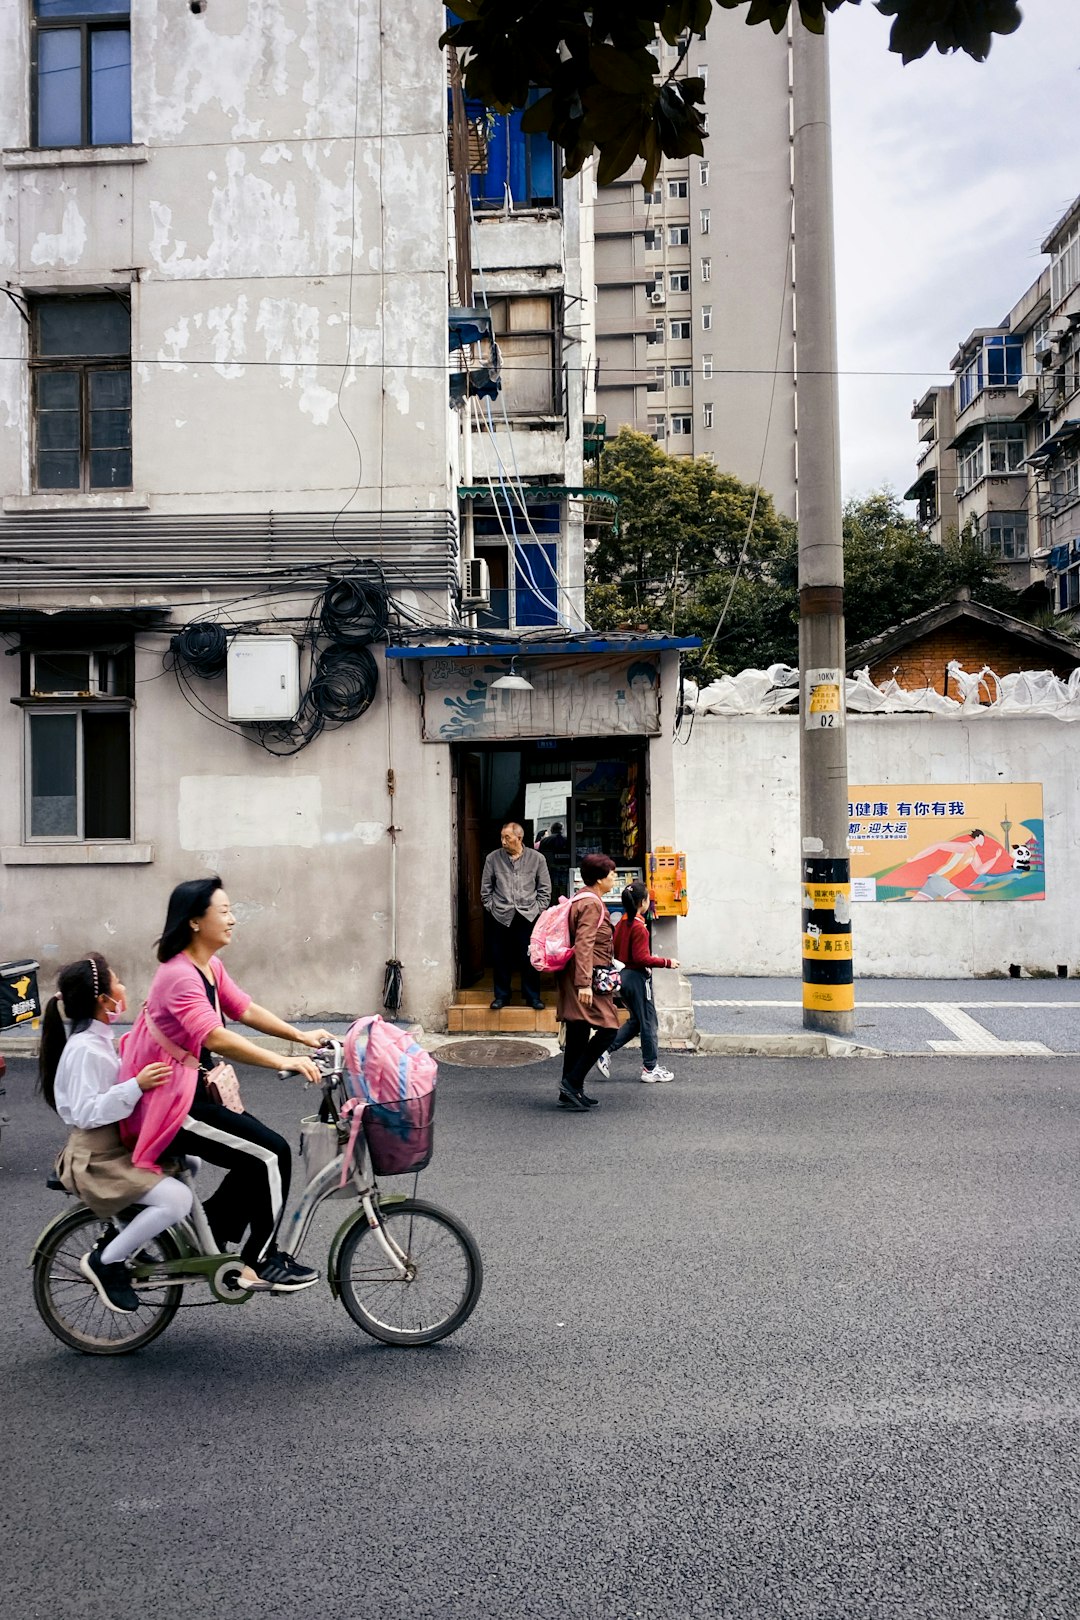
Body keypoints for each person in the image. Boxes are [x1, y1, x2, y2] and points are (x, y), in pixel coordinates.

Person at [118, 877, 329, 1295]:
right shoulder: (178, 975)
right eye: (225, 911)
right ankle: (260, 1261)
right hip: (173, 1105)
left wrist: (302, 1037)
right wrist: (283, 1060)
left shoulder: (208, 966)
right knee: (269, 1155)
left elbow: (244, 1008)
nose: (233, 919)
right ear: (195, 921)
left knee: (259, 1151)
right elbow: (215, 1036)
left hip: (192, 1091)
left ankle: (213, 1226)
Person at [39, 952, 193, 1315]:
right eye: (117, 982)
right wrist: (135, 1087)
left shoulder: (97, 1038)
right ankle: (106, 1261)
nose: (123, 987)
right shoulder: (84, 1050)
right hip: (97, 1156)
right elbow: (86, 1110)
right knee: (176, 1201)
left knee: (192, 1161)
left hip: (113, 1144)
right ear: (103, 1000)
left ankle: (125, 1235)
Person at [555, 853, 620, 1112]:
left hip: (579, 975)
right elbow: (584, 944)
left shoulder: (582, 897)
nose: (614, 876)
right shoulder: (592, 904)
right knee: (609, 1028)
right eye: (612, 872)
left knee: (579, 1031)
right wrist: (584, 984)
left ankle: (571, 1091)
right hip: (587, 978)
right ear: (600, 877)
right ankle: (571, 1084)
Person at [597, 880, 679, 1083]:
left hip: (623, 978)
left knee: (636, 1022)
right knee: (649, 1022)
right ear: (642, 902)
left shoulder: (622, 924)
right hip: (637, 979)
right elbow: (642, 958)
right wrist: (667, 962)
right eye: (648, 899)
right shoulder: (639, 927)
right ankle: (650, 1068)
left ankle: (605, 1049)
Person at [481, 821, 551, 1010]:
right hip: (501, 915)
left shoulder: (537, 859)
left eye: (507, 837)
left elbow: (545, 889)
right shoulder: (492, 858)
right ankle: (502, 996)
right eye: (502, 837)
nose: (503, 841)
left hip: (528, 915)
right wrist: (492, 908)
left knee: (530, 957)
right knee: (500, 957)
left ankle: (532, 997)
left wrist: (538, 910)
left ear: (519, 838)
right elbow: (485, 889)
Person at [537, 821, 571, 901]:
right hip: (564, 870)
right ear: (562, 829)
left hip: (549, 870)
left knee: (550, 888)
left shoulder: (544, 841)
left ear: (551, 830)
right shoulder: (567, 840)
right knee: (564, 889)